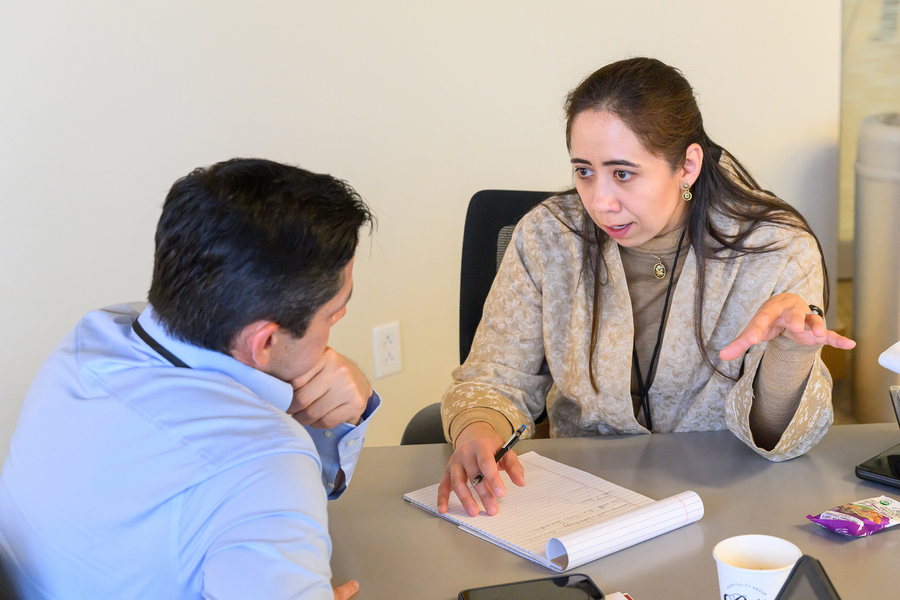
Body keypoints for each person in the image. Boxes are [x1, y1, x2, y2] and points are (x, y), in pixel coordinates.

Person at [438, 57, 855, 518]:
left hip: (724, 500)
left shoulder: (776, 249)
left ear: (687, 166)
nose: (599, 201)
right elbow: (492, 380)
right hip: (578, 503)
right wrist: (478, 428)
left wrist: (788, 357)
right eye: (583, 171)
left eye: (623, 173)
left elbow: (780, 440)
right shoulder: (547, 237)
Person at [0, 159, 377, 599]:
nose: (342, 318)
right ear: (265, 341)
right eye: (334, 312)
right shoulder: (264, 462)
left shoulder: (89, 339)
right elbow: (257, 477)